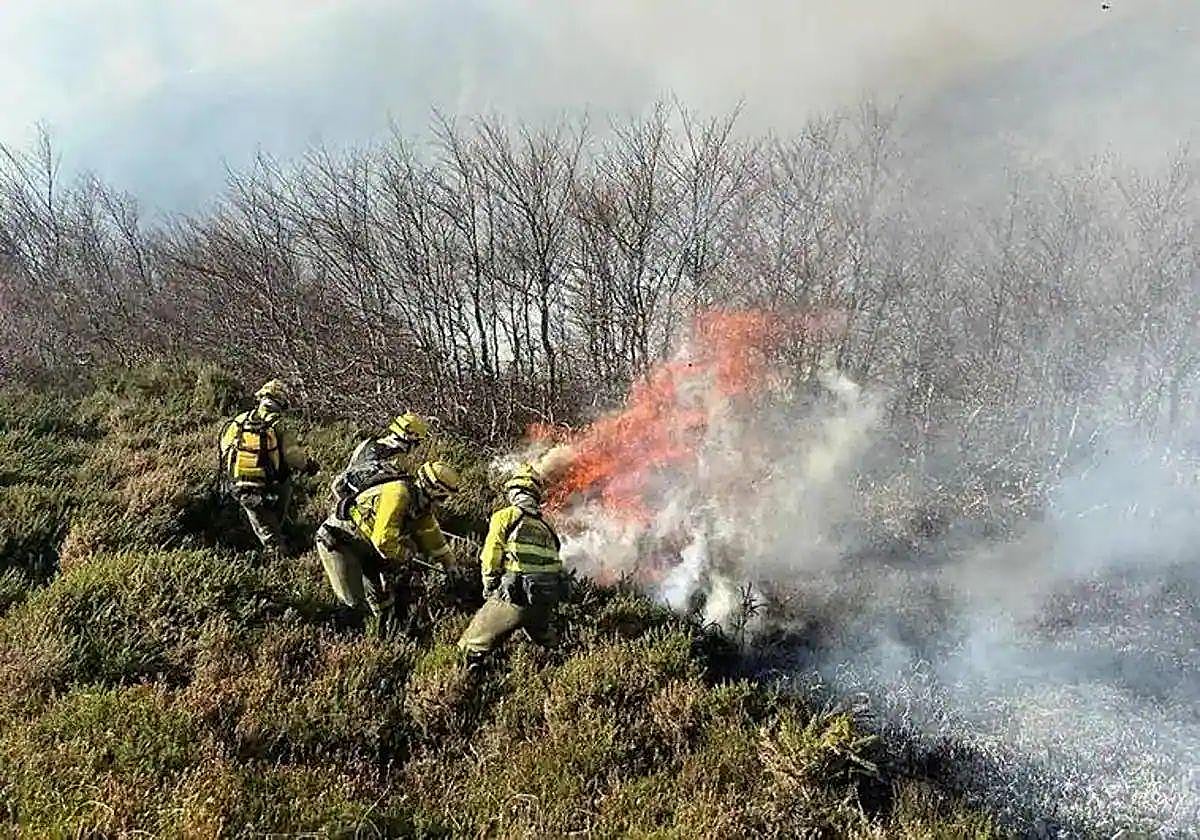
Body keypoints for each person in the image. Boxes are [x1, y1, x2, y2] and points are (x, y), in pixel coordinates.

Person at [315, 459, 459, 637]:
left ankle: (383, 637)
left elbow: (433, 537)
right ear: (434, 490)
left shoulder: (420, 506)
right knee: (353, 603)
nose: (442, 503)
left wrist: (450, 564)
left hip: (366, 547)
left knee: (382, 600)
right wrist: (405, 555)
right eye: (443, 498)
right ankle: (342, 639)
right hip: (339, 541)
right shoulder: (398, 494)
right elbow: (383, 542)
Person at [457, 464, 565, 672]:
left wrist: (490, 586)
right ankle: (564, 669)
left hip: (516, 596)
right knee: (550, 645)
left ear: (515, 492)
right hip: (544, 600)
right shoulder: (548, 526)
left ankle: (470, 679)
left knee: (469, 646)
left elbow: (490, 555)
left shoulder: (506, 516)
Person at [218, 379, 317, 556]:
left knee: (260, 519)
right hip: (270, 483)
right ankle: (279, 557)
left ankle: (261, 538)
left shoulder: (240, 420)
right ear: (282, 402)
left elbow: (225, 446)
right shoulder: (279, 424)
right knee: (272, 531)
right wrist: (307, 465)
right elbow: (292, 455)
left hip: (239, 482)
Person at [329, 412, 429, 520]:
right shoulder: (392, 460)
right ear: (410, 435)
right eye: (418, 441)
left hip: (347, 510)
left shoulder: (369, 444)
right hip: (361, 515)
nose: (417, 446)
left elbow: (339, 483)